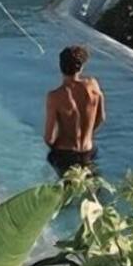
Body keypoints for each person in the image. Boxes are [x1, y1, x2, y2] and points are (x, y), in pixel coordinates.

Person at [43, 45, 105, 176]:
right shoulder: (93, 86)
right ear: (81, 67)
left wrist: (56, 147)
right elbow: (101, 118)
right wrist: (87, 134)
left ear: (60, 66)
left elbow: (49, 138)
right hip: (88, 151)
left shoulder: (55, 97)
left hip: (65, 154)